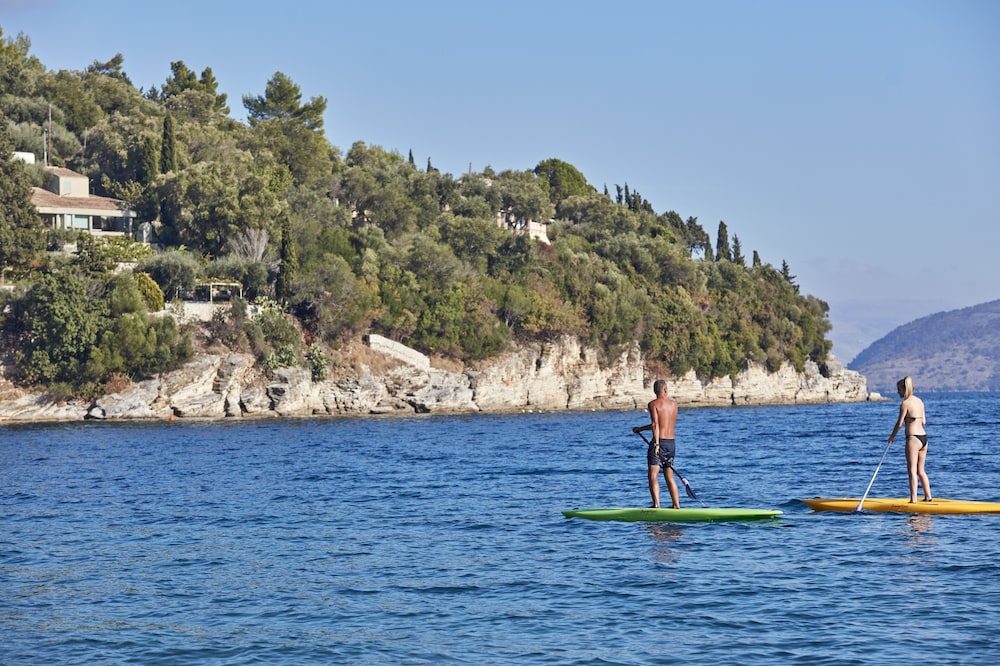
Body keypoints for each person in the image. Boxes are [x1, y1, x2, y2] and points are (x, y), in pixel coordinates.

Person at [632, 379, 680, 509]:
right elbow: (662, 424)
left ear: (655, 391)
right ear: (665, 390)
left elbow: (655, 425)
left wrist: (657, 444)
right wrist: (641, 429)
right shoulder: (674, 405)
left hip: (659, 443)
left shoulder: (653, 404)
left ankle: (656, 505)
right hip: (671, 443)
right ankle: (676, 505)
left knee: (653, 475)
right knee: (669, 476)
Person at [888, 375, 932, 503]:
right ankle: (928, 496)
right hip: (924, 438)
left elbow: (899, 424)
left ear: (904, 389)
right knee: (920, 470)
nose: (898, 393)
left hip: (913, 439)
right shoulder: (919, 401)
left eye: (899, 390)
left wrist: (892, 437)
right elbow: (924, 421)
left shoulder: (905, 404)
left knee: (912, 470)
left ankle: (913, 499)